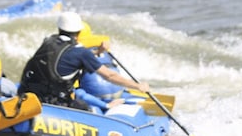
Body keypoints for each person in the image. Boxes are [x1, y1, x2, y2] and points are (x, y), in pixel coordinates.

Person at [18, 11, 150, 111]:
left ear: (59, 28)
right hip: (55, 102)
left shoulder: (49, 41)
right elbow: (110, 75)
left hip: (31, 96)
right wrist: (138, 86)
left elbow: (67, 59)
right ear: (79, 31)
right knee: (86, 108)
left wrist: (97, 52)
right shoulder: (81, 52)